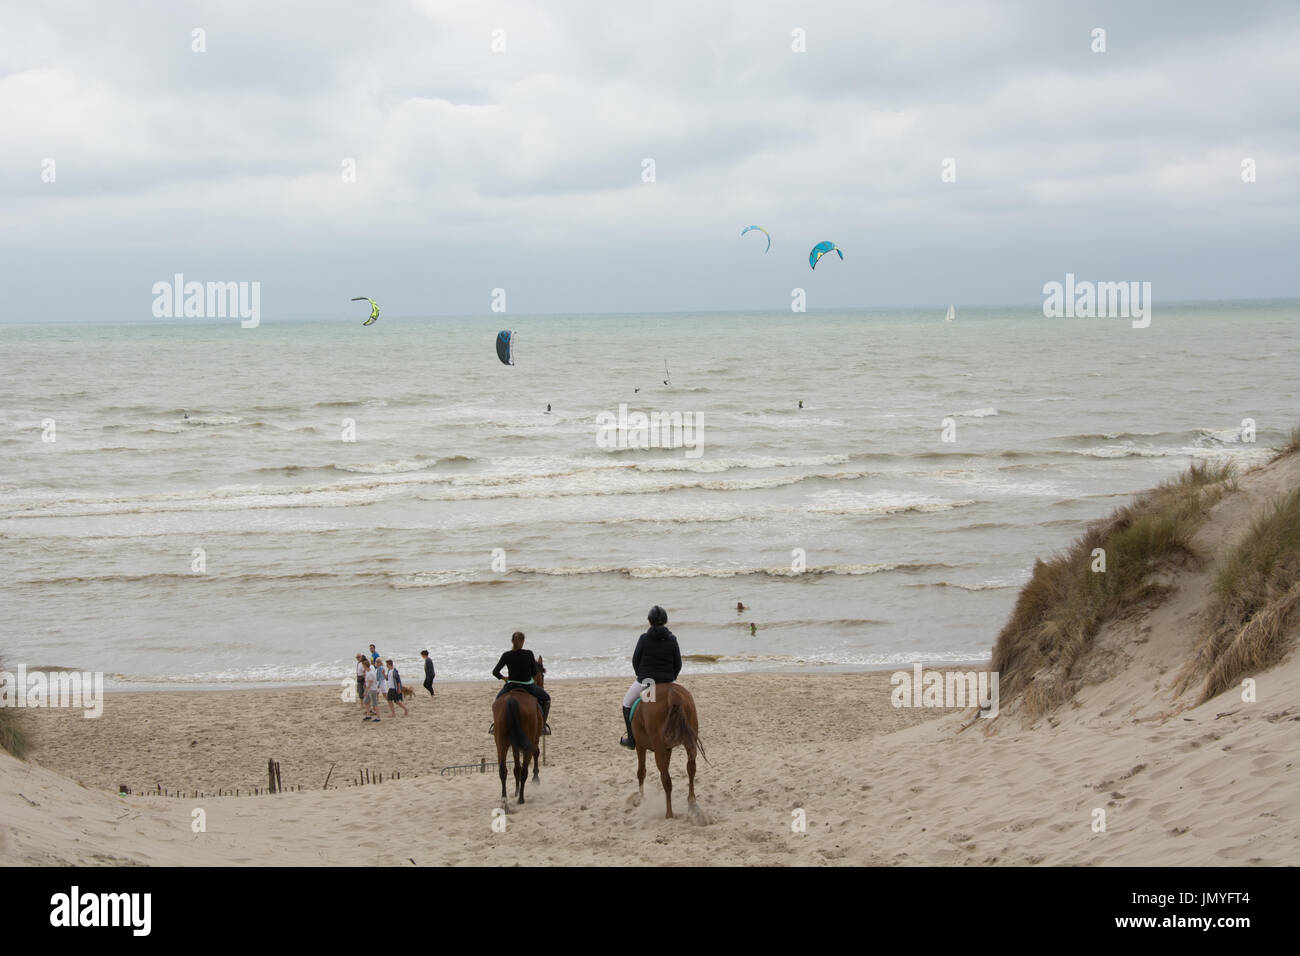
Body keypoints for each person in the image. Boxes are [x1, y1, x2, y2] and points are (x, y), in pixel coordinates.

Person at [620, 605, 682, 749]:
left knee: (627, 703)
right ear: (665, 620)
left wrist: (640, 675)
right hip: (668, 681)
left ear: (649, 621)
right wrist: (672, 677)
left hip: (647, 680)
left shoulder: (644, 638)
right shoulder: (672, 639)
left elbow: (635, 660)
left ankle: (631, 739)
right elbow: (678, 663)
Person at [492, 631, 551, 734]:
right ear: (523, 641)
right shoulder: (529, 654)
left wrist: (504, 678)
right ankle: (542, 727)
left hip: (510, 686)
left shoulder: (506, 655)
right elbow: (533, 672)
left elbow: (495, 672)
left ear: (512, 641)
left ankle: (495, 726)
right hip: (528, 686)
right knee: (546, 699)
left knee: (497, 702)